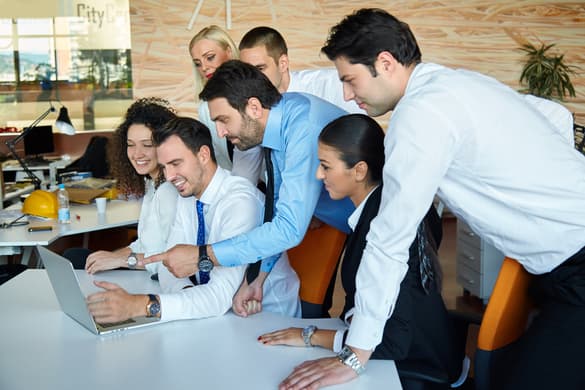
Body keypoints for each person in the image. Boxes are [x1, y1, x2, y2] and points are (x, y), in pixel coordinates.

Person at [279, 8, 585, 390]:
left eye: (350, 80)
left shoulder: (418, 115)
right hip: (560, 264)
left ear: (385, 63)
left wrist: (355, 356)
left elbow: (389, 240)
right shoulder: (458, 83)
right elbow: (553, 114)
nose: (346, 94)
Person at [258, 114, 462, 388]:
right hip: (419, 351)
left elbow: (390, 341)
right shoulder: (383, 208)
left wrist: (311, 335)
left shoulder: (380, 231)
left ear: (359, 170)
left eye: (325, 166)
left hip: (412, 367)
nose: (318, 175)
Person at [141, 60, 355, 317]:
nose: (220, 132)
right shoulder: (280, 125)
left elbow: (289, 229)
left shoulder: (301, 128)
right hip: (353, 226)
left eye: (223, 120)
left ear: (253, 107)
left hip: (377, 227)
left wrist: (203, 255)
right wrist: (257, 279)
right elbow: (276, 214)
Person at [86, 117, 301, 323]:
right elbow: (167, 266)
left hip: (266, 320)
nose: (169, 176)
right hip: (219, 320)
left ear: (204, 155)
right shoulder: (189, 194)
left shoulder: (239, 202)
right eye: (164, 167)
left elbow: (218, 298)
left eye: (176, 163)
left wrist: (142, 306)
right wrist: (188, 296)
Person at [81, 97, 178, 275]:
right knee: (80, 257)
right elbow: (143, 243)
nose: (137, 154)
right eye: (130, 145)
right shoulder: (152, 184)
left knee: (77, 259)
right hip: (144, 269)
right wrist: (110, 257)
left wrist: (120, 260)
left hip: (159, 281)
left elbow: (172, 260)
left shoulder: (169, 191)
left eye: (147, 145)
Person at [189, 25, 262, 183]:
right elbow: (221, 160)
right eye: (197, 63)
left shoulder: (256, 94)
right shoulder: (204, 109)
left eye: (210, 57)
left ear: (228, 52)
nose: (204, 67)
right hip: (239, 188)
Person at [238, 26, 362, 114]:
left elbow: (359, 132)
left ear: (283, 63)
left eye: (260, 68)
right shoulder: (249, 103)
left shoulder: (330, 85)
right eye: (247, 71)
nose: (253, 77)